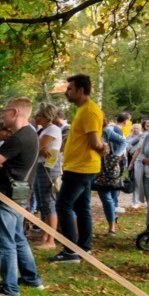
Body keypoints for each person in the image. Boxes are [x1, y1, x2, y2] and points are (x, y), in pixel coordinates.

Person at [0, 97, 43, 296]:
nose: (3, 116)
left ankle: (10, 290)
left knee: (4, 243)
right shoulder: (31, 134)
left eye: (5, 111)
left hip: (6, 196)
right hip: (20, 195)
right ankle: (32, 279)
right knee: (18, 238)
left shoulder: (17, 138)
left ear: (15, 112)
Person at [50, 74, 108, 263]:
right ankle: (84, 248)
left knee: (63, 205)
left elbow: (94, 142)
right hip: (80, 167)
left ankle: (70, 251)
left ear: (81, 90)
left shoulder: (89, 111)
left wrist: (103, 147)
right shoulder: (84, 110)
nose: (66, 92)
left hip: (81, 168)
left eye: (69, 89)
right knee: (82, 207)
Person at [32, 103, 63, 249]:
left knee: (49, 202)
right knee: (42, 203)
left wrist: (39, 149)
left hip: (48, 169)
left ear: (46, 117)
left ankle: (51, 240)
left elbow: (35, 147)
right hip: (41, 167)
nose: (36, 117)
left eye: (39, 115)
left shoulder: (52, 129)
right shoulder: (44, 130)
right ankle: (44, 236)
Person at [96, 114, 129, 234]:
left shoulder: (107, 131)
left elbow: (124, 142)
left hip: (104, 168)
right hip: (88, 166)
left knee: (106, 197)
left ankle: (112, 226)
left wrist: (115, 157)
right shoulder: (86, 130)